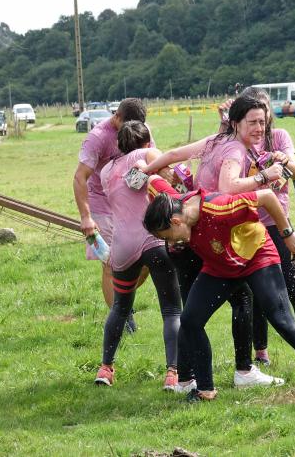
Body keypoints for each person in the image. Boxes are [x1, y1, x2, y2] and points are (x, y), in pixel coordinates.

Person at [144, 177, 295, 402]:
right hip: (220, 267)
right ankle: (205, 390)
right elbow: (153, 179)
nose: (169, 243)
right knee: (190, 321)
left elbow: (267, 197)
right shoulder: (172, 204)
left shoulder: (220, 207)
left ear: (176, 221)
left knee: (282, 321)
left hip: (257, 257)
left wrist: (287, 235)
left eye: (166, 237)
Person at [139, 95, 283, 388]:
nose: (258, 129)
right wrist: (264, 176)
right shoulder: (233, 149)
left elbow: (175, 154)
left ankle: (186, 378)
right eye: (253, 123)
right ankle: (244, 371)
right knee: (242, 299)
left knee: (191, 310)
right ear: (238, 123)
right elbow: (227, 187)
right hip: (207, 228)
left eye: (261, 122)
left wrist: (144, 172)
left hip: (183, 231)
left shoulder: (213, 141)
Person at [93, 121, 185, 390]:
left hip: (121, 245)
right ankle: (172, 373)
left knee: (120, 307)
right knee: (170, 310)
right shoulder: (147, 155)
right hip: (153, 240)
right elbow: (167, 181)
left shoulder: (106, 170)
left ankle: (106, 368)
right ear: (146, 143)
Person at [240, 86, 295, 367]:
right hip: (248, 226)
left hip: (278, 224)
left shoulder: (279, 137)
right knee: (255, 293)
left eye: (264, 113)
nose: (261, 123)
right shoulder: (239, 143)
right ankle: (260, 352)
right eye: (254, 117)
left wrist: (284, 160)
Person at [74, 98, 147, 333]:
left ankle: (123, 302)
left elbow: (151, 163)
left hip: (132, 201)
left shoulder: (141, 130)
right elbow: (79, 177)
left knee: (145, 260)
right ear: (117, 117)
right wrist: (86, 217)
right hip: (102, 203)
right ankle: (121, 316)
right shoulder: (97, 137)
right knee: (110, 263)